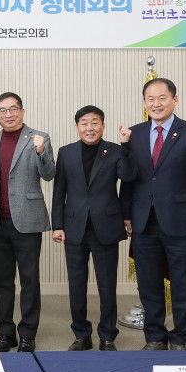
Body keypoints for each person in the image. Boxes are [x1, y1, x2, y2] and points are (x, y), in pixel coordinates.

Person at [121, 78, 186, 350]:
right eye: (150, 99)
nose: (156, 104)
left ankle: (179, 338)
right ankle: (154, 337)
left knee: (183, 284)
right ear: (144, 103)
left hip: (181, 222)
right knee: (148, 284)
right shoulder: (134, 134)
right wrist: (126, 214)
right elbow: (128, 180)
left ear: (175, 100)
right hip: (144, 222)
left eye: (162, 98)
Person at [51, 105, 137, 351]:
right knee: (76, 285)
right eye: (84, 123)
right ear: (77, 126)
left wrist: (127, 147)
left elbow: (128, 178)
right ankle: (81, 335)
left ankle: (107, 335)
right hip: (74, 228)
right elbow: (59, 190)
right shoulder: (66, 152)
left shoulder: (116, 150)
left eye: (95, 122)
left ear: (103, 125)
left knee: (107, 286)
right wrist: (57, 225)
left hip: (106, 227)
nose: (90, 128)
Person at [0, 92, 55, 353]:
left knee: (29, 280)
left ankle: (27, 334)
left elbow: (49, 174)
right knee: (1, 281)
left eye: (13, 109)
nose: (9, 114)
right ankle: (5, 333)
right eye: (3, 110)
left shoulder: (39, 137)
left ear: (22, 112)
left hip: (28, 220)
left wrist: (41, 151)